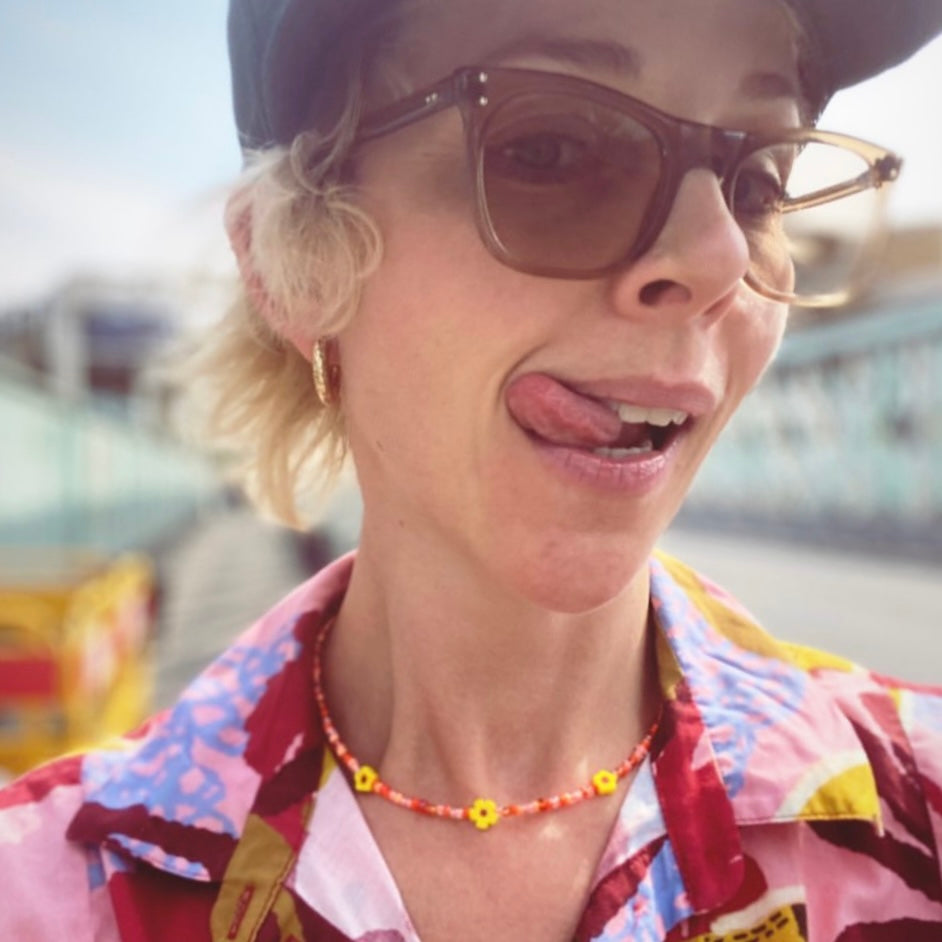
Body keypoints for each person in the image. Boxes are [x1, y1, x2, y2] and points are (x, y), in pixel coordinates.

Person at [3, 0, 942, 939]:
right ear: (293, 269)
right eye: (553, 152)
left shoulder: (920, 812)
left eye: (758, 187)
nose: (717, 258)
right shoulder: (46, 894)